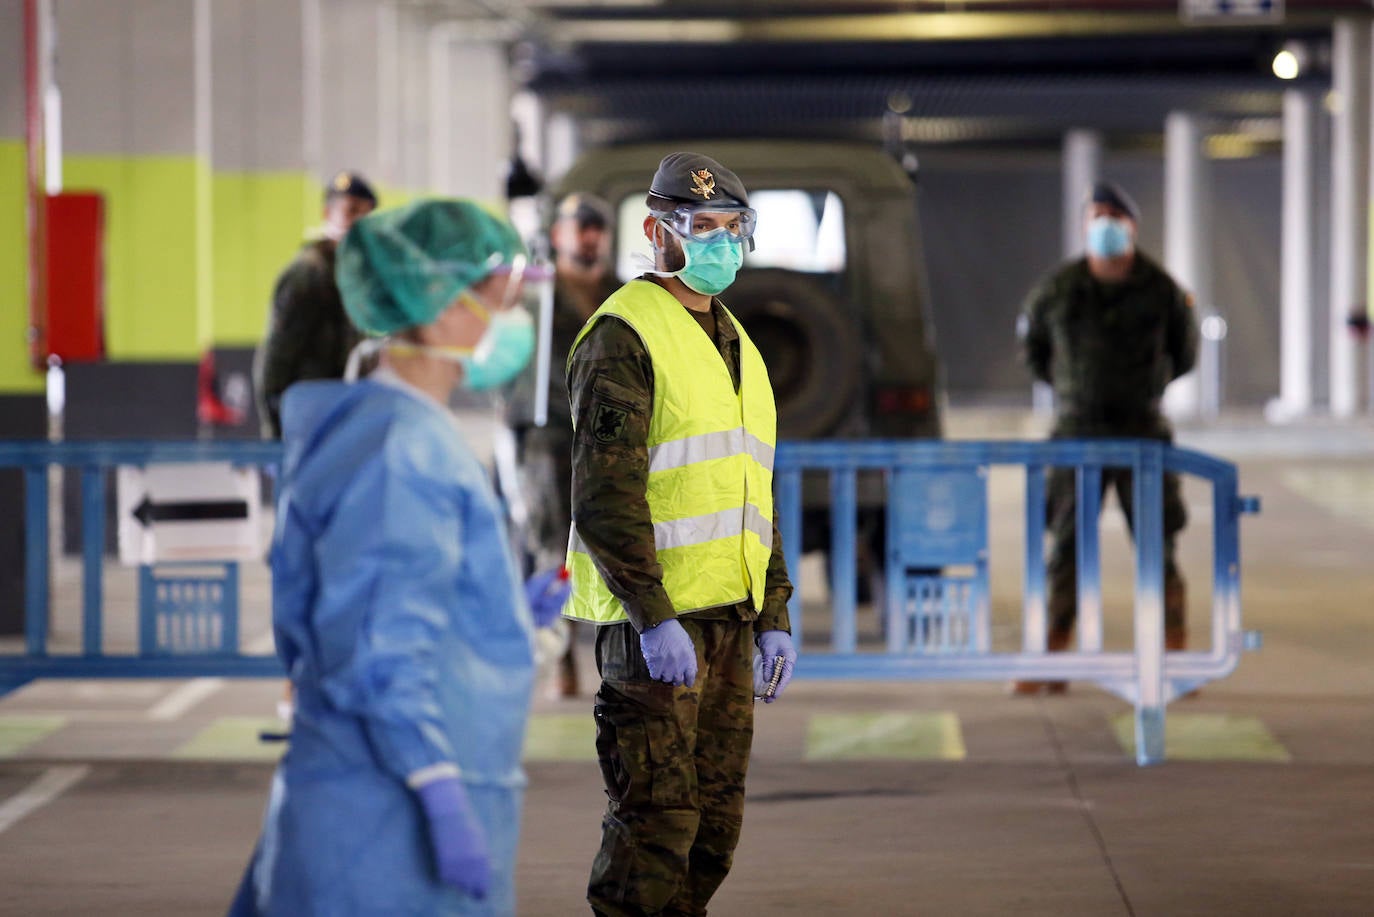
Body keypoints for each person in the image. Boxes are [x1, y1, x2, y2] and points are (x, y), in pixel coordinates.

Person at [229, 199, 570, 916]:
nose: (511, 318)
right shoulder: (401, 451)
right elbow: (378, 649)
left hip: (370, 798)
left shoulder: (395, 430)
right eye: (499, 296)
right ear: (439, 309)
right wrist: (439, 791)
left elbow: (393, 598)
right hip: (381, 817)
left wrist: (499, 611)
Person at [564, 152, 798, 916]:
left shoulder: (736, 342)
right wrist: (652, 613)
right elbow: (606, 494)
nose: (720, 244)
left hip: (730, 621)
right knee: (654, 830)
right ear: (655, 231)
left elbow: (750, 492)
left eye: (732, 228)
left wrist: (773, 611)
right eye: (702, 227)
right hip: (658, 633)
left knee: (712, 833)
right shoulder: (623, 335)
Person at [1014, 180, 1199, 695]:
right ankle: (1051, 657)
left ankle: (1174, 658)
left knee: (1156, 546)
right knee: (1066, 547)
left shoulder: (1162, 290)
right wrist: (1074, 392)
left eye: (1114, 218)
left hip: (1143, 433)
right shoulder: (1059, 289)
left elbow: (1184, 354)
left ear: (1132, 227)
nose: (1105, 226)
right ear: (1084, 226)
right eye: (1096, 217)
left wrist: (1144, 389)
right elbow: (1034, 353)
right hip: (1078, 433)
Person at [513, 192, 620, 698]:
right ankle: (559, 659)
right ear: (558, 235)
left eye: (597, 228)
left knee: (616, 542)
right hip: (549, 434)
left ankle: (613, 655)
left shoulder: (625, 295)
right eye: (581, 227)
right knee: (554, 547)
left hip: (609, 434)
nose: (589, 237)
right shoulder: (534, 295)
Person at [252, 170, 378, 439]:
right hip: (308, 416)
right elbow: (276, 359)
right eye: (351, 211)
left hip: (342, 415)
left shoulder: (356, 275)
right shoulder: (309, 273)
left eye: (366, 214)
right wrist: (276, 431)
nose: (359, 222)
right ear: (327, 213)